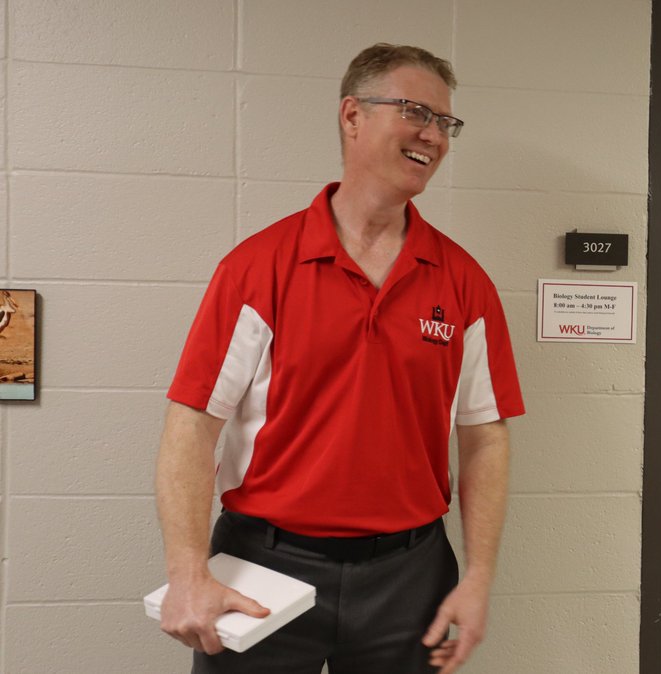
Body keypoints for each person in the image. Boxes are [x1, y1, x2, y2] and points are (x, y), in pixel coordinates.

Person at [155, 43, 524, 673]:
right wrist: (188, 571)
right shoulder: (257, 269)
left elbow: (485, 436)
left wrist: (480, 579)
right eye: (415, 112)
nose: (432, 135)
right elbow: (192, 426)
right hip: (263, 567)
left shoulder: (464, 283)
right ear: (352, 116)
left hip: (410, 577)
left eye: (444, 122)